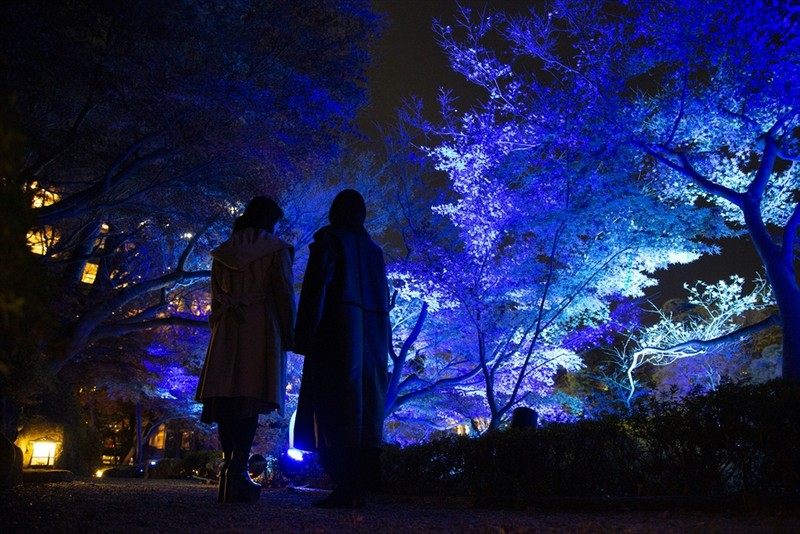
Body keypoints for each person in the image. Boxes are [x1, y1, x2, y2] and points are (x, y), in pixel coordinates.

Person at [293, 189, 391, 509]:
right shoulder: (375, 251)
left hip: (336, 332)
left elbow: (316, 289)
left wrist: (305, 335)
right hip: (373, 338)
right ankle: (357, 484)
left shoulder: (330, 241)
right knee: (365, 409)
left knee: (334, 405)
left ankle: (345, 486)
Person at [195, 196, 295, 503]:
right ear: (269, 220)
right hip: (258, 328)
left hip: (227, 328)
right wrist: (291, 335)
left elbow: (214, 299)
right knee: (249, 399)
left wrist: (219, 326)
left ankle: (230, 471)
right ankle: (239, 472)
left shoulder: (223, 252)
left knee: (227, 399)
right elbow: (283, 295)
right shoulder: (275, 250)